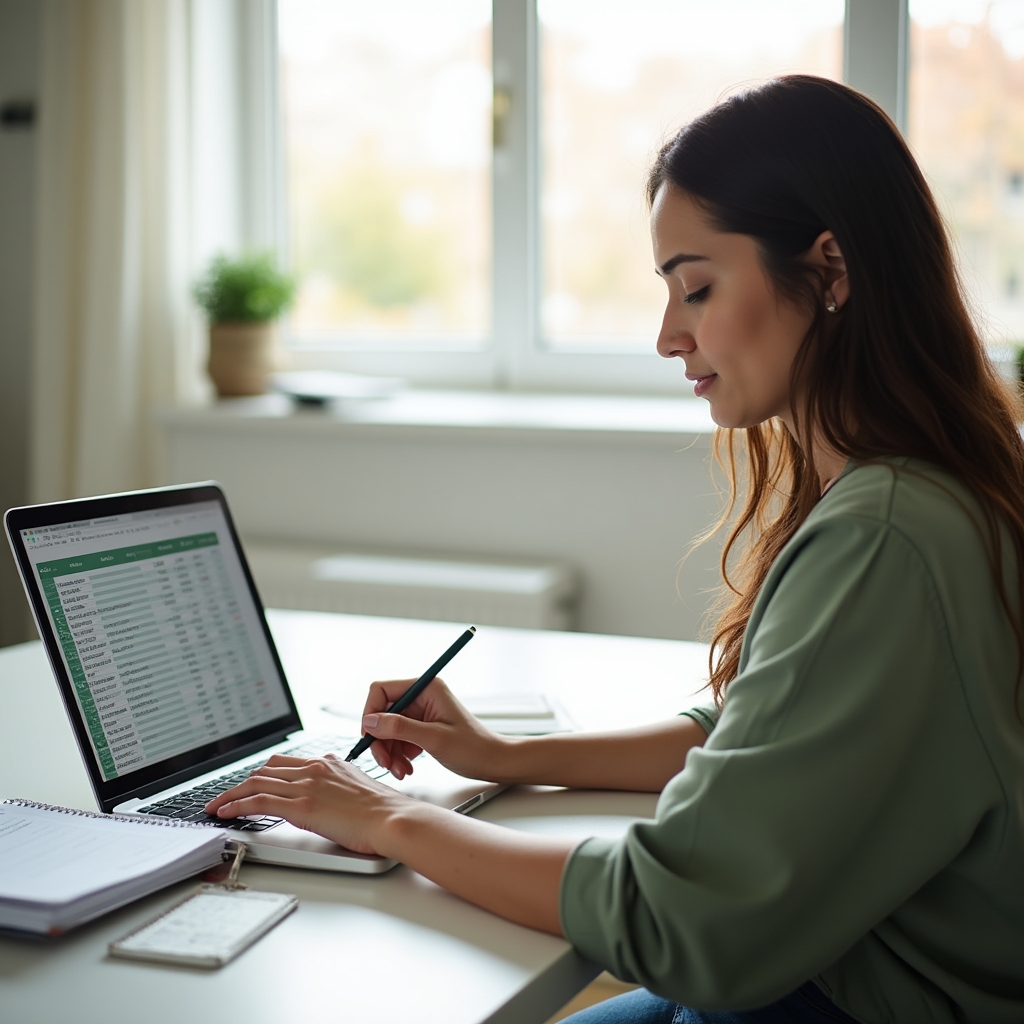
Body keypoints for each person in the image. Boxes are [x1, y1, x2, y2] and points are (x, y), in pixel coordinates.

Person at [205, 76, 1024, 1023]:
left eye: (698, 287)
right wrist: (502, 755)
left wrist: (384, 816)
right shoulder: (933, 488)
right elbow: (757, 739)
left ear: (831, 269)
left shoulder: (887, 537)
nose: (670, 335)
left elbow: (681, 917)